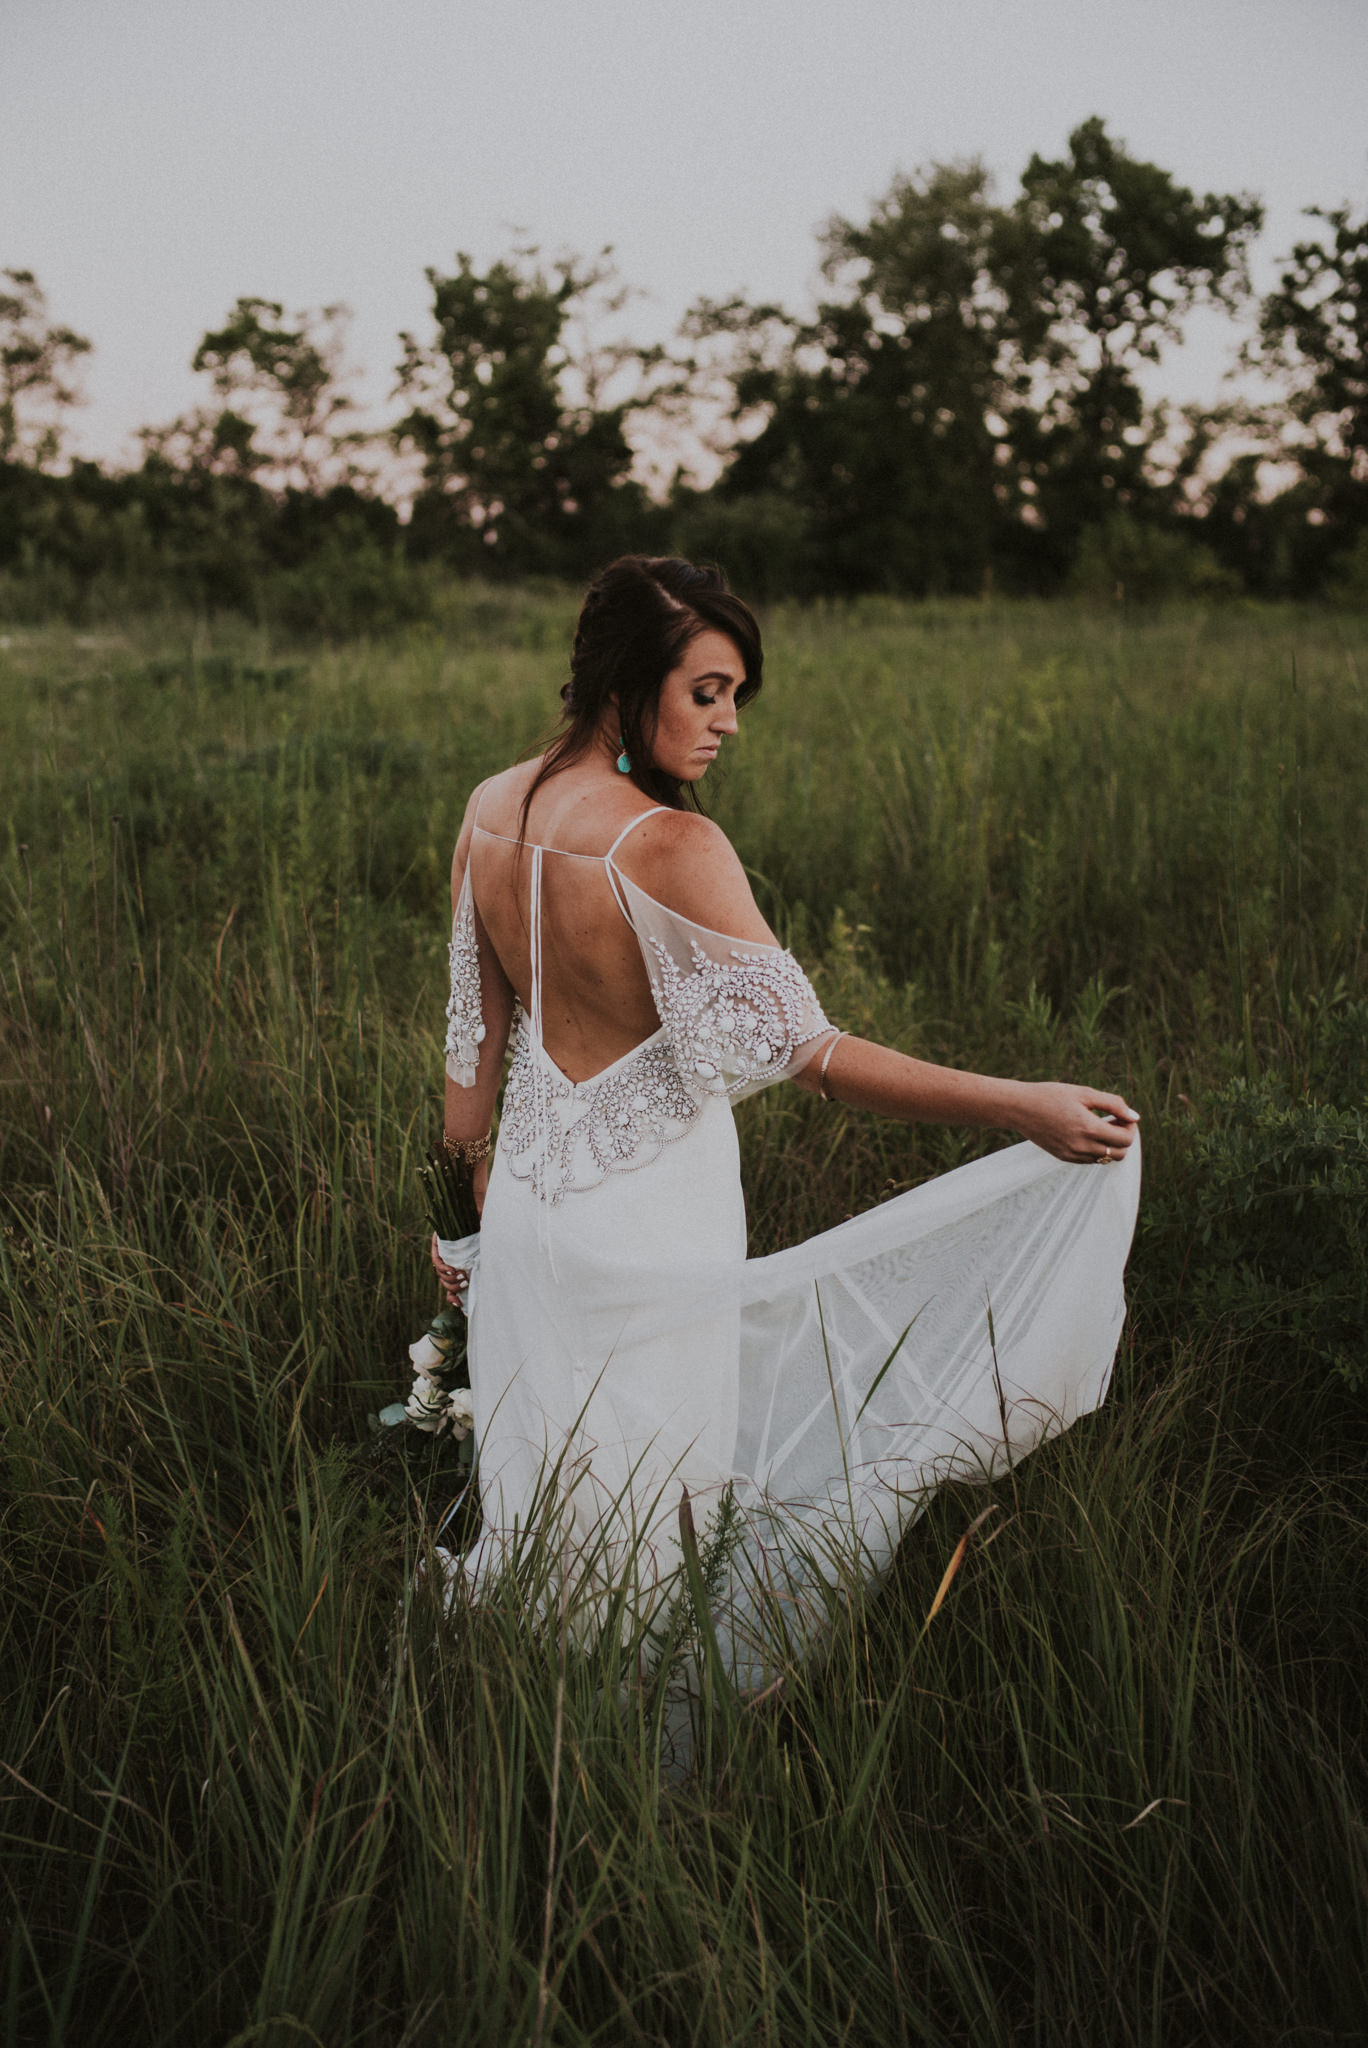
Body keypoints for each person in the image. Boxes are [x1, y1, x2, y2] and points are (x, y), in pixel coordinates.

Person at [431, 555, 1139, 1690]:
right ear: (628, 678)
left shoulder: (493, 805)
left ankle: (531, 1693)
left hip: (527, 1207)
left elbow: (472, 1044)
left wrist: (463, 1221)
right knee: (657, 1481)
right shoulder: (668, 844)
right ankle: (633, 1717)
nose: (728, 724)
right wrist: (1021, 1103)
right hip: (654, 1215)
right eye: (706, 692)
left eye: (735, 698)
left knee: (548, 1469)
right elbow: (820, 1057)